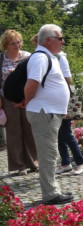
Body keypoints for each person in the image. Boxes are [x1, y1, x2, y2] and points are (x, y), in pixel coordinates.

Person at [25, 24, 73, 205]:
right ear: (48, 40)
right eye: (60, 38)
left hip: (48, 113)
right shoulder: (40, 58)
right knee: (48, 155)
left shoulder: (48, 57)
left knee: (50, 153)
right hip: (44, 113)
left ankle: (52, 190)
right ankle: (50, 194)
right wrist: (26, 100)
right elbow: (32, 83)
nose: (63, 41)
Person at [0, 29, 38, 176]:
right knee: (14, 131)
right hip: (8, 99)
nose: (16, 45)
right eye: (12, 43)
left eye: (18, 42)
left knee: (30, 129)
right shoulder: (1, 59)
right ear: (5, 45)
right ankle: (19, 165)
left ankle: (33, 161)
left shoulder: (28, 56)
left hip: (27, 97)